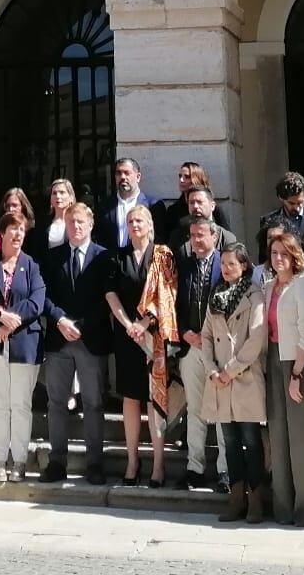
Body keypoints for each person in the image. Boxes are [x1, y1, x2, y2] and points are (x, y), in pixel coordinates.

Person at [104, 202, 177, 486]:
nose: (135, 225)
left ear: (150, 225)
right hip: (127, 337)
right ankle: (133, 461)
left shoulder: (162, 255)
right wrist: (128, 325)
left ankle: (158, 464)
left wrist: (144, 323)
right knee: (131, 397)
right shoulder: (117, 257)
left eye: (139, 221)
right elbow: (111, 295)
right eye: (130, 221)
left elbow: (168, 294)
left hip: (154, 337)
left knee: (154, 400)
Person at [39, 203, 112, 485]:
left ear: (91, 224)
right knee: (56, 403)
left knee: (93, 403)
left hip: (90, 339)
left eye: (81, 222)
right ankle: (57, 462)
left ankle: (95, 463)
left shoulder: (103, 257)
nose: (76, 227)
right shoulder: (52, 256)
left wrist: (80, 325)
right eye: (71, 222)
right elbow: (43, 295)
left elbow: (107, 299)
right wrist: (60, 320)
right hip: (58, 339)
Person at [261, 228, 304, 527]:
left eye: (284, 254)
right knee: (278, 434)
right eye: (274, 253)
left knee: (302, 436)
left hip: (296, 361)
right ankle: (284, 506)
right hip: (273, 360)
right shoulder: (269, 286)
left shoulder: (302, 283)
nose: (278, 259)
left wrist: (297, 373)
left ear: (294, 256)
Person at [0, 211, 45, 483]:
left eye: (21, 230)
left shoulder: (32, 265)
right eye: (12, 229)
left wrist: (10, 323)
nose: (17, 234)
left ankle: (20, 461)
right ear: (1, 233)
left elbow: (36, 301)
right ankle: (0, 460)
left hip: (24, 344)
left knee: (21, 404)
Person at [203, 243, 270, 523]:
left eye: (232, 263)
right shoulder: (216, 295)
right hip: (220, 381)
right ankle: (236, 498)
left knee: (251, 442)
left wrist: (230, 370)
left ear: (244, 265)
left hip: (244, 377)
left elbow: (257, 339)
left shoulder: (255, 295)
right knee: (229, 443)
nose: (227, 269)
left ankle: (256, 500)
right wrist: (212, 370)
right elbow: (206, 336)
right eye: (224, 263)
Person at [174, 214, 229, 491]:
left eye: (200, 235)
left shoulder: (227, 264)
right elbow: (174, 305)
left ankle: (225, 471)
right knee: (195, 409)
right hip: (191, 347)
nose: (195, 240)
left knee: (221, 411)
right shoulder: (183, 266)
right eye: (192, 236)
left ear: (214, 236)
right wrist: (184, 332)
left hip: (218, 349)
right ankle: (194, 468)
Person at [106, 157, 158, 250]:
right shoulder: (105, 206)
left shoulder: (153, 205)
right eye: (118, 173)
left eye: (127, 173)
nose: (122, 177)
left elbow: (159, 238)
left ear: (138, 177)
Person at [157, 162, 209, 247]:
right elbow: (166, 240)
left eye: (187, 177)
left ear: (197, 179)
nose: (181, 180)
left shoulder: (213, 209)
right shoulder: (173, 211)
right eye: (180, 176)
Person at [26, 179, 76, 260]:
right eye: (54, 193)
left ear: (71, 197)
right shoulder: (42, 223)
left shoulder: (78, 222)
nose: (58, 196)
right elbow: (36, 251)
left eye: (62, 192)